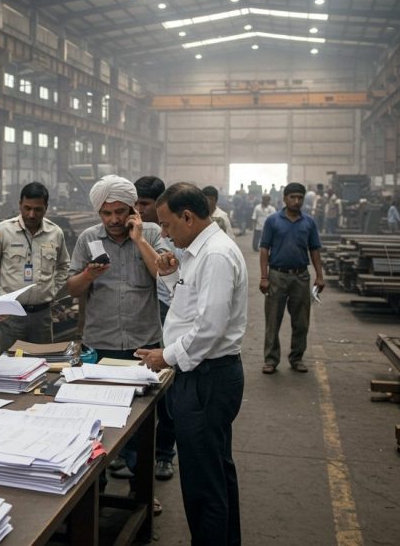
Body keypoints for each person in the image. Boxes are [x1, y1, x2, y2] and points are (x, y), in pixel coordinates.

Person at [137, 182, 247, 546]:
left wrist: (164, 356)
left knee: (203, 485)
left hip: (206, 378)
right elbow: (188, 306)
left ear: (188, 216)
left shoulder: (214, 255)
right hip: (204, 375)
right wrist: (169, 274)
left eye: (167, 226)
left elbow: (209, 328)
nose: (164, 233)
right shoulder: (197, 254)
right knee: (216, 471)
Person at [68, 174, 166, 513]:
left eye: (120, 212)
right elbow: (72, 289)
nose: (113, 220)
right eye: (106, 213)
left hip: (143, 345)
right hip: (101, 344)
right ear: (98, 212)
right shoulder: (87, 239)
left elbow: (165, 281)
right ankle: (93, 490)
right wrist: (88, 276)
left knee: (141, 428)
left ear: (133, 210)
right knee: (97, 422)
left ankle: (141, 491)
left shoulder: (152, 234)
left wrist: (139, 240)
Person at [0, 182, 69, 354]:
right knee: (9, 366)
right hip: (12, 315)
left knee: (42, 363)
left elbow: (64, 265)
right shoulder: (3, 231)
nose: (31, 214)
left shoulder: (55, 233)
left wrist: (53, 289)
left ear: (46, 208)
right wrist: (0, 295)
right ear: (20, 205)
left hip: (42, 316)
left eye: (38, 209)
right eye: (27, 208)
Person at [130, 175, 177, 482]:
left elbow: (163, 269)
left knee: (169, 389)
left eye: (144, 205)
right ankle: (131, 453)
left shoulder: (171, 235)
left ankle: (162, 454)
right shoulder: (132, 232)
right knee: (139, 386)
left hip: (171, 311)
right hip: (144, 314)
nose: (138, 210)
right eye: (135, 204)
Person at [259, 182, 325, 374]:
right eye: (292, 197)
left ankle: (297, 358)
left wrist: (319, 276)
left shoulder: (309, 223)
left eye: (300, 198)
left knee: (301, 321)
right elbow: (264, 249)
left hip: (300, 277)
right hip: (277, 275)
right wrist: (264, 277)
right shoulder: (272, 221)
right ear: (284, 198)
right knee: (273, 320)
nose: (296, 201)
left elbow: (314, 250)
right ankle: (271, 360)